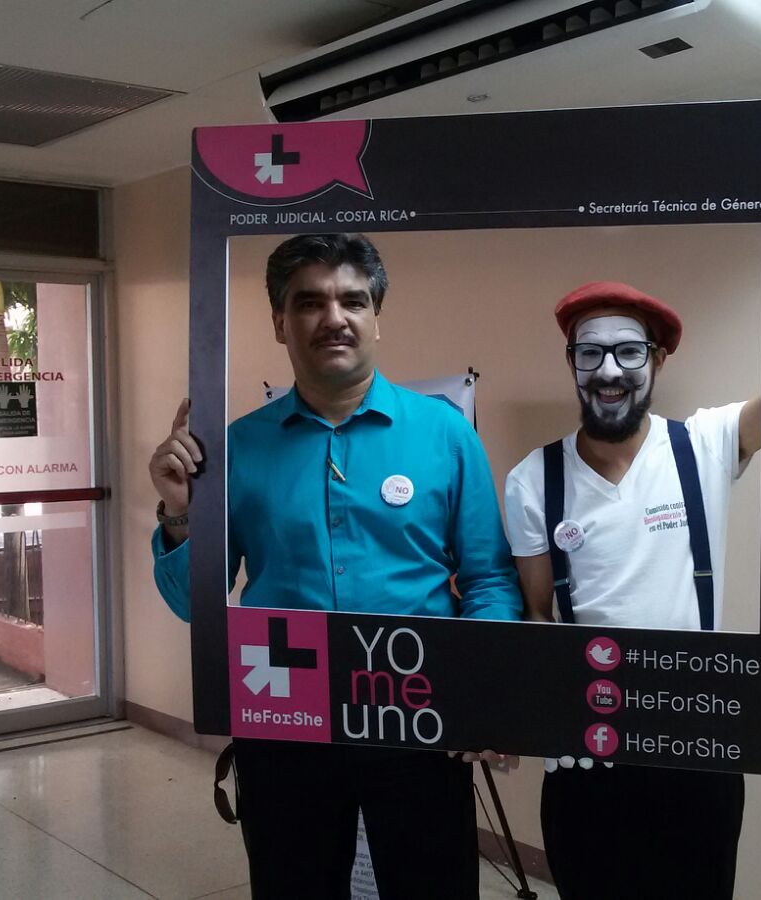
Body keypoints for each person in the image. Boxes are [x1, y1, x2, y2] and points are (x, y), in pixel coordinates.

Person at [148, 233, 522, 900]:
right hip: (282, 717)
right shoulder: (237, 448)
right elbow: (192, 605)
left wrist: (483, 694)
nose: (334, 318)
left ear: (376, 317)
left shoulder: (444, 435)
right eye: (309, 302)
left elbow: (489, 579)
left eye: (353, 300)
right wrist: (180, 515)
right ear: (280, 322)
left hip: (418, 714)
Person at [500, 189, 761, 899]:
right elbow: (536, 615)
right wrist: (548, 717)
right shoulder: (533, 480)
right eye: (590, 352)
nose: (609, 371)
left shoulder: (705, 444)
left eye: (628, 351)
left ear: (656, 360)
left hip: (698, 742)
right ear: (572, 362)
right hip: (590, 748)